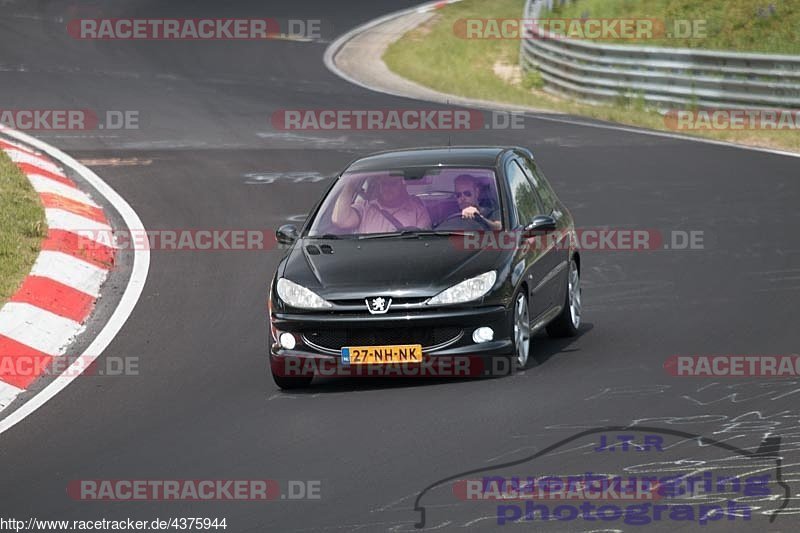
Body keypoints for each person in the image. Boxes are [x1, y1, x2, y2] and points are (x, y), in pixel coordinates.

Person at [331, 174, 431, 233]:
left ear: (402, 185)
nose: (387, 188)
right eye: (384, 184)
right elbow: (340, 221)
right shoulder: (365, 208)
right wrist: (351, 184)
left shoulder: (418, 211)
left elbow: (422, 245)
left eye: (392, 184)